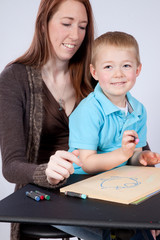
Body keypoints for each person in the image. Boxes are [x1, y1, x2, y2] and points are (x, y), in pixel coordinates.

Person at [0, 0, 94, 239]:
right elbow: (11, 166)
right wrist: (45, 172)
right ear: (43, 23)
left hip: (94, 195)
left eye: (82, 26)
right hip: (40, 200)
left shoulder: (95, 76)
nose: (75, 35)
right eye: (66, 23)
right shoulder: (14, 78)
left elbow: (130, 131)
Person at [66, 31, 160, 240]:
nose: (118, 74)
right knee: (133, 234)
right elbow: (87, 163)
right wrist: (122, 155)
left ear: (138, 69)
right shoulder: (88, 110)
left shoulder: (138, 110)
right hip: (83, 182)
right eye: (109, 66)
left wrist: (140, 158)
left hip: (119, 181)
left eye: (126, 66)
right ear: (95, 72)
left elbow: (132, 154)